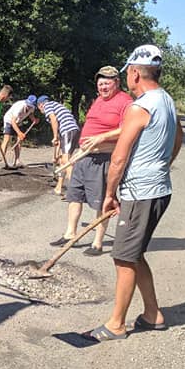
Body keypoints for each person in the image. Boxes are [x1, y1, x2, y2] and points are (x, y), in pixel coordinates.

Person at [87, 44, 183, 341]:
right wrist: (163, 165)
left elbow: (119, 156)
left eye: (128, 72)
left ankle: (116, 324)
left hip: (141, 192)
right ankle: (153, 314)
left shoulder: (139, 106)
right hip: (157, 189)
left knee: (124, 257)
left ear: (133, 73)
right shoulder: (166, 100)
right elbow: (179, 137)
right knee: (135, 252)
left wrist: (110, 194)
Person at [59, 65, 133, 255]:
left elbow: (128, 129)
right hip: (84, 156)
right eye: (100, 83)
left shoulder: (125, 101)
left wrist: (101, 138)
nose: (103, 87)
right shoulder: (98, 100)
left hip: (103, 158)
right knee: (74, 195)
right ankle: (70, 234)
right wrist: (78, 150)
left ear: (116, 83)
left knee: (101, 202)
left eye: (107, 83)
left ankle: (97, 243)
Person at [36, 95, 80, 193]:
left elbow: (53, 119)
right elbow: (60, 140)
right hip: (71, 131)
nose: (40, 111)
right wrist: (55, 155)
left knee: (66, 161)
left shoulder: (48, 106)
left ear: (40, 105)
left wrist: (55, 136)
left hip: (68, 131)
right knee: (62, 161)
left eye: (39, 108)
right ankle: (58, 188)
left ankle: (75, 190)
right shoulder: (57, 106)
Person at [0, 94, 40, 168]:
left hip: (19, 121)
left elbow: (30, 113)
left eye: (31, 106)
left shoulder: (32, 108)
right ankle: (3, 160)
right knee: (7, 139)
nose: (29, 106)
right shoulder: (19, 106)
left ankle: (17, 160)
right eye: (28, 105)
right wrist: (19, 133)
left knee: (19, 140)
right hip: (9, 120)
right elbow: (13, 122)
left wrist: (33, 119)